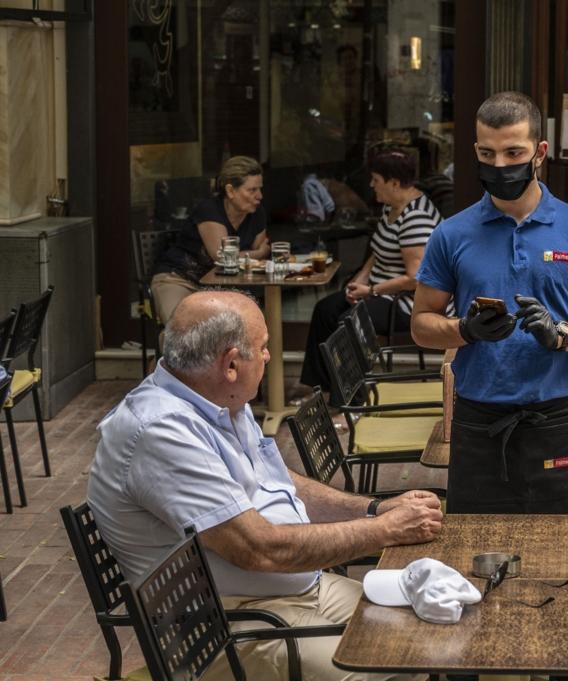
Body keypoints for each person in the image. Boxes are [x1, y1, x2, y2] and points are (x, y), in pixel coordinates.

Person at [87, 290, 441, 681]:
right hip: (225, 627)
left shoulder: (218, 400)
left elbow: (281, 483)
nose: (270, 357)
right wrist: (384, 531)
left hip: (293, 594)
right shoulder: (161, 430)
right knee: (389, 667)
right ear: (231, 364)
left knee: (423, 629)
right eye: (264, 347)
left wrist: (373, 510)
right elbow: (259, 549)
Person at [411, 91, 568, 514]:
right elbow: (421, 324)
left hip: (555, 419)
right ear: (475, 151)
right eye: (488, 154)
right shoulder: (451, 234)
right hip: (476, 421)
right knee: (472, 555)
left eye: (514, 152)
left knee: (565, 555)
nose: (500, 165)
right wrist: (464, 330)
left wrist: (564, 333)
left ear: (539, 152)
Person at [300, 148, 443, 391]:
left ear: (394, 183)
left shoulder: (416, 217)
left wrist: (371, 290)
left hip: (406, 301)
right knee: (325, 310)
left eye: (376, 180)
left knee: (348, 323)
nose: (371, 184)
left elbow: (415, 279)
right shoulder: (391, 206)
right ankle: (322, 387)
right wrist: (358, 281)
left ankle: (352, 398)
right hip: (378, 290)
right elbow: (377, 252)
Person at [151, 156, 271, 324]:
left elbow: (256, 262)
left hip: (220, 288)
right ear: (230, 191)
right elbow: (221, 257)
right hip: (180, 279)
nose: (259, 196)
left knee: (248, 328)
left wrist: (255, 255)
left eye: (260, 189)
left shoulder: (257, 213)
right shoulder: (209, 210)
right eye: (252, 190)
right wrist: (257, 253)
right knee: (180, 329)